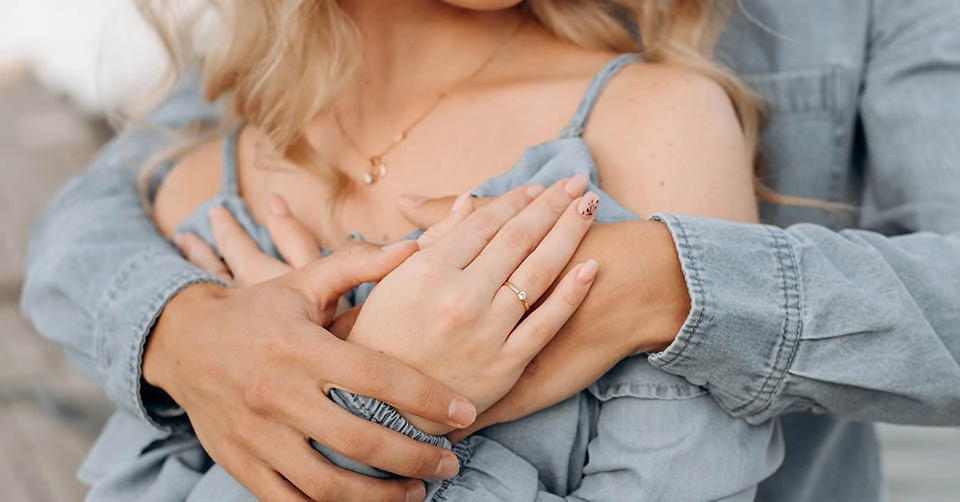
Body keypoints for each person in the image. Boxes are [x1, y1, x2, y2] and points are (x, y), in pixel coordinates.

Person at [20, 0, 960, 501]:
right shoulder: (207, 172)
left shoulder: (658, 117)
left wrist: (661, 282)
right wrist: (186, 332)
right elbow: (87, 217)